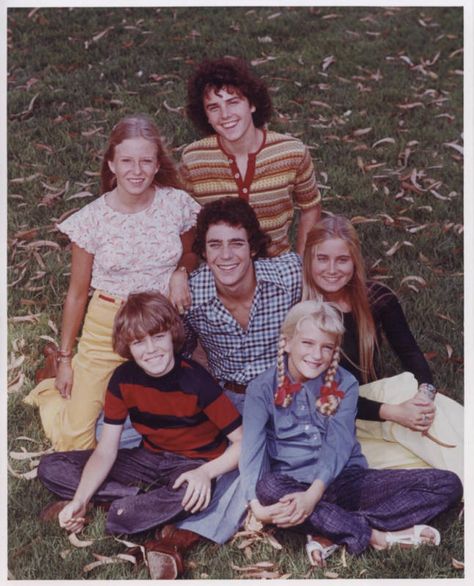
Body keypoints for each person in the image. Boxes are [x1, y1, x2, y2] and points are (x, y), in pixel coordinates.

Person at [239, 300, 463, 567]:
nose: (316, 354)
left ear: (335, 352)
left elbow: (339, 444)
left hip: (346, 480)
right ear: (286, 343)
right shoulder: (261, 388)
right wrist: (257, 507)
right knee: (269, 488)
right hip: (293, 484)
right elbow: (251, 448)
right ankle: (377, 536)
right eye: (307, 343)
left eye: (327, 347)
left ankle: (329, 528)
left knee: (447, 484)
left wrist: (313, 497)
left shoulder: (345, 383)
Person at [24, 114, 200, 451]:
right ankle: (48, 388)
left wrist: (180, 272)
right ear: (111, 164)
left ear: (156, 164)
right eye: (127, 161)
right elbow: (76, 295)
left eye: (146, 161)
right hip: (109, 324)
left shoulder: (175, 204)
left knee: (168, 424)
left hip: (160, 323)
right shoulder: (91, 220)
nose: (137, 171)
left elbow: (192, 253)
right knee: (76, 443)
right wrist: (65, 359)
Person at [37, 292, 243, 580]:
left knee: (193, 495)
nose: (151, 349)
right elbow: (106, 450)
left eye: (158, 337)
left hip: (190, 466)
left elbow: (243, 443)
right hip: (148, 458)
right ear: (128, 348)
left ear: (172, 336)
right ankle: (110, 503)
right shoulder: (123, 379)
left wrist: (206, 473)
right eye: (138, 342)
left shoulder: (196, 379)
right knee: (50, 467)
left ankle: (119, 507)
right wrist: (80, 500)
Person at [302, 215, 463, 481]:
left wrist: (424, 394)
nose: (332, 269)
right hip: (335, 420)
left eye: (342, 259)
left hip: (381, 403)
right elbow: (319, 393)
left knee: (414, 396)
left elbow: (411, 355)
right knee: (400, 456)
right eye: (322, 259)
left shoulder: (377, 298)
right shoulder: (302, 312)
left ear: (355, 261)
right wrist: (394, 413)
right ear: (309, 260)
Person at [181, 56, 321, 257]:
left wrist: (302, 264)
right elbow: (184, 220)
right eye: (214, 107)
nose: (225, 114)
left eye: (233, 102)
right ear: (206, 116)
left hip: (276, 266)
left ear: (252, 104)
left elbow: (310, 208)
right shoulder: (194, 160)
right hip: (220, 269)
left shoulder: (291, 152)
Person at [182, 197, 302, 413]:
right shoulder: (191, 297)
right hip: (231, 399)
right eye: (215, 245)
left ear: (253, 248)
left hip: (288, 392)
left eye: (236, 243)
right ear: (204, 252)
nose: (226, 255)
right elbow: (180, 353)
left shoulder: (290, 276)